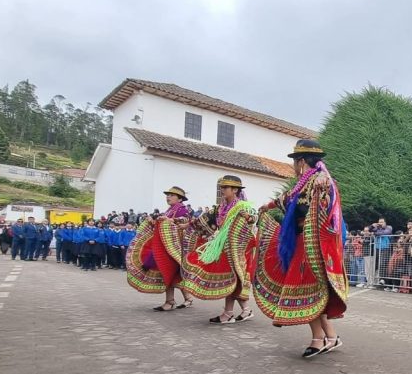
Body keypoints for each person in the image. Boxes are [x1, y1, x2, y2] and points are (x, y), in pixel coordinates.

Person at [255, 140, 348, 357]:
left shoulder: (319, 179)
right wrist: (266, 207)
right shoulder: (300, 185)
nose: (293, 167)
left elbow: (326, 195)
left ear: (302, 161)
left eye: (295, 162)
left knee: (307, 288)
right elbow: (284, 200)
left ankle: (318, 339)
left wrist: (324, 180)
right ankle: (331, 337)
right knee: (315, 291)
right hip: (300, 242)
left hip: (312, 245)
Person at [182, 175, 258, 324]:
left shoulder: (243, 206)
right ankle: (246, 310)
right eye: (221, 187)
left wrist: (249, 218)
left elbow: (254, 219)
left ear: (235, 190)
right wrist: (188, 225)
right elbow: (203, 220)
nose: (222, 190)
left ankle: (228, 314)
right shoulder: (220, 207)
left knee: (230, 278)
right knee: (230, 279)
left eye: (225, 187)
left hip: (237, 250)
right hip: (223, 248)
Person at [126, 186, 194, 311]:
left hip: (176, 247)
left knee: (170, 272)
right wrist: (153, 222)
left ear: (180, 199)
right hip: (166, 246)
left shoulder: (182, 210)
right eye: (167, 195)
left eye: (171, 195)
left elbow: (185, 221)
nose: (168, 197)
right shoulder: (169, 210)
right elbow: (162, 226)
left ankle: (172, 301)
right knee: (171, 273)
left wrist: (170, 220)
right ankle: (185, 299)